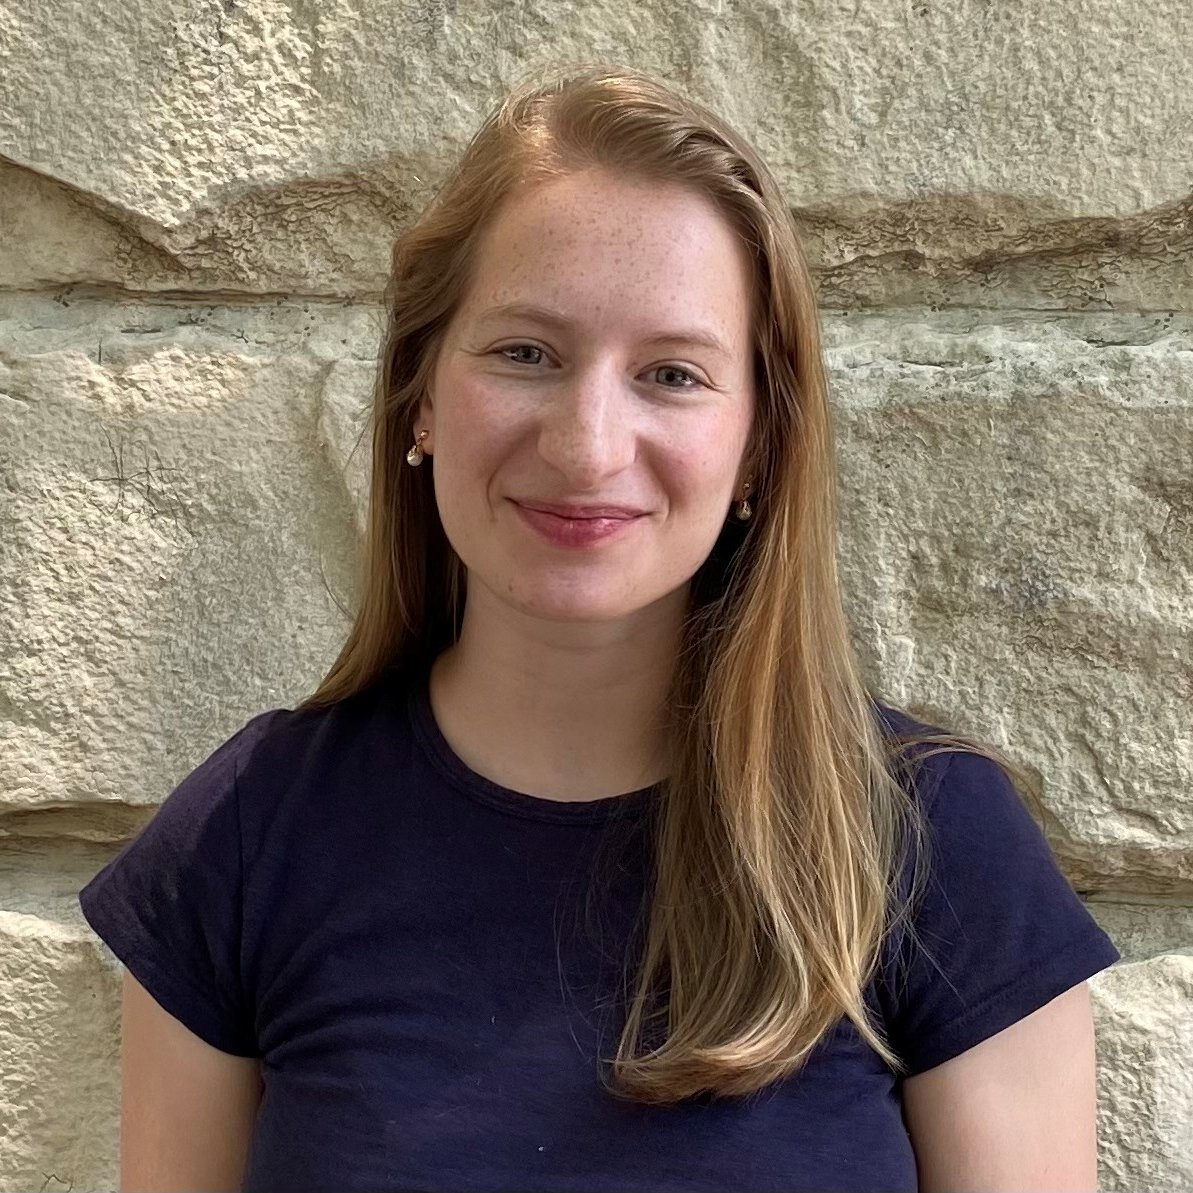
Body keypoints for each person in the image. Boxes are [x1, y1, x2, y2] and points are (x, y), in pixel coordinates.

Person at [78, 63, 1121, 1193]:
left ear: (759, 446)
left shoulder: (929, 844)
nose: (586, 445)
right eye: (525, 352)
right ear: (420, 396)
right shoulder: (248, 838)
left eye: (670, 373)